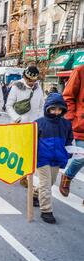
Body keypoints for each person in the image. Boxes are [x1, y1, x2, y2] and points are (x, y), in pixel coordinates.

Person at [33, 93, 73, 224]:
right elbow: (31, 140)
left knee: (50, 182)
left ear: (63, 109)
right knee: (46, 184)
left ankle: (35, 194)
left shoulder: (66, 124)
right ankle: (46, 210)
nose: (56, 112)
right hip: (42, 158)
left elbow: (68, 140)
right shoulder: (39, 123)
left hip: (57, 158)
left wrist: (69, 150)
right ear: (47, 108)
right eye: (53, 109)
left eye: (59, 109)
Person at [5, 66, 45, 188]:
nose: (32, 83)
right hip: (19, 124)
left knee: (30, 152)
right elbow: (9, 105)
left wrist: (41, 120)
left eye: (34, 80)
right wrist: (17, 118)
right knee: (19, 151)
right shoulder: (17, 87)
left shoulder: (38, 88)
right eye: (29, 80)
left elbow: (41, 105)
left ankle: (25, 176)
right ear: (24, 77)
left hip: (34, 125)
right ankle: (18, 172)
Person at [60, 64, 84, 198]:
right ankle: (67, 176)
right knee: (82, 156)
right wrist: (72, 118)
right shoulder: (80, 71)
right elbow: (68, 96)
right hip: (81, 124)